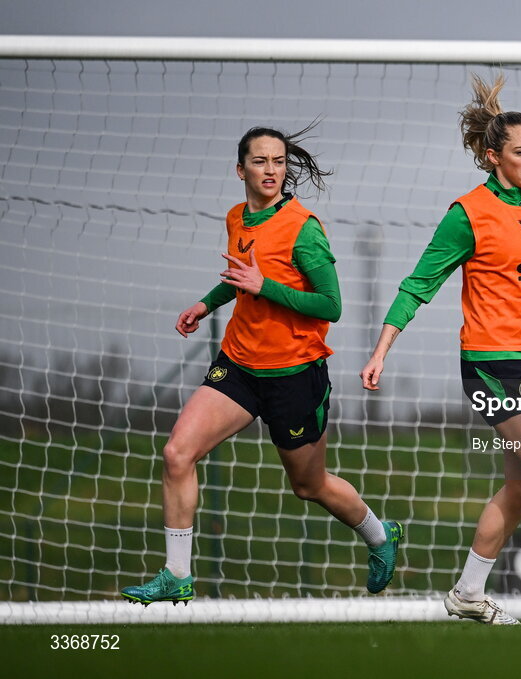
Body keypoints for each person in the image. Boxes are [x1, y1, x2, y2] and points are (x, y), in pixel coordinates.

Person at [121, 124, 403, 605]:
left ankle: (380, 536)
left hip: (296, 376)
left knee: (309, 485)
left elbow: (330, 305)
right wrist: (206, 304)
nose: (271, 170)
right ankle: (176, 574)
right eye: (260, 161)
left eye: (278, 162)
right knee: (177, 454)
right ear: (241, 170)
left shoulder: (303, 228)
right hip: (238, 366)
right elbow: (240, 278)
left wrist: (263, 287)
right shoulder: (237, 218)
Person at [360, 74, 521, 625]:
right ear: (493, 157)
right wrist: (382, 348)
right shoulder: (469, 214)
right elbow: (420, 283)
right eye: (520, 152)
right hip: (491, 364)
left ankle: (467, 593)